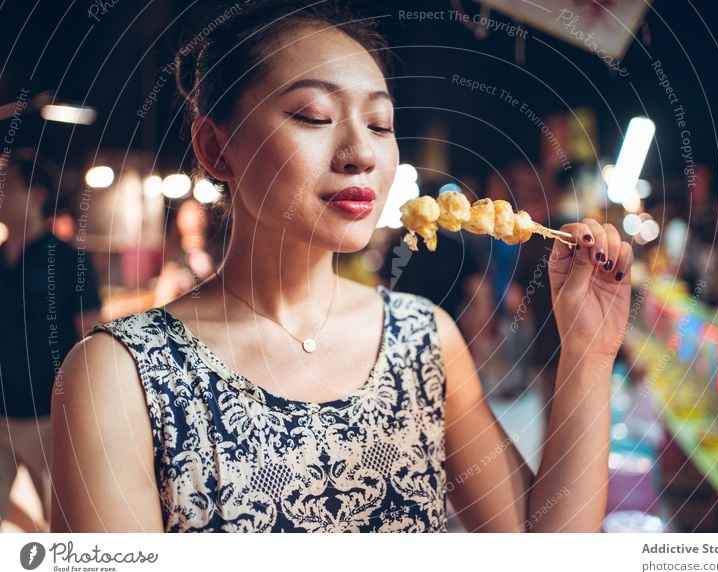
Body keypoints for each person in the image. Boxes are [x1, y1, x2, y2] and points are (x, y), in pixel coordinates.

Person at [51, 0, 633, 533]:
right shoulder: (118, 374)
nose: (363, 153)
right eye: (312, 115)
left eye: (381, 125)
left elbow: (540, 554)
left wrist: (587, 353)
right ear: (215, 149)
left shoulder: (423, 341)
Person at [0, 150, 102, 528]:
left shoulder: (67, 260)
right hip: (1, 414)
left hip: (49, 418)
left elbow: (92, 339)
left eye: (7, 186)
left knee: (66, 526)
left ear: (37, 194)